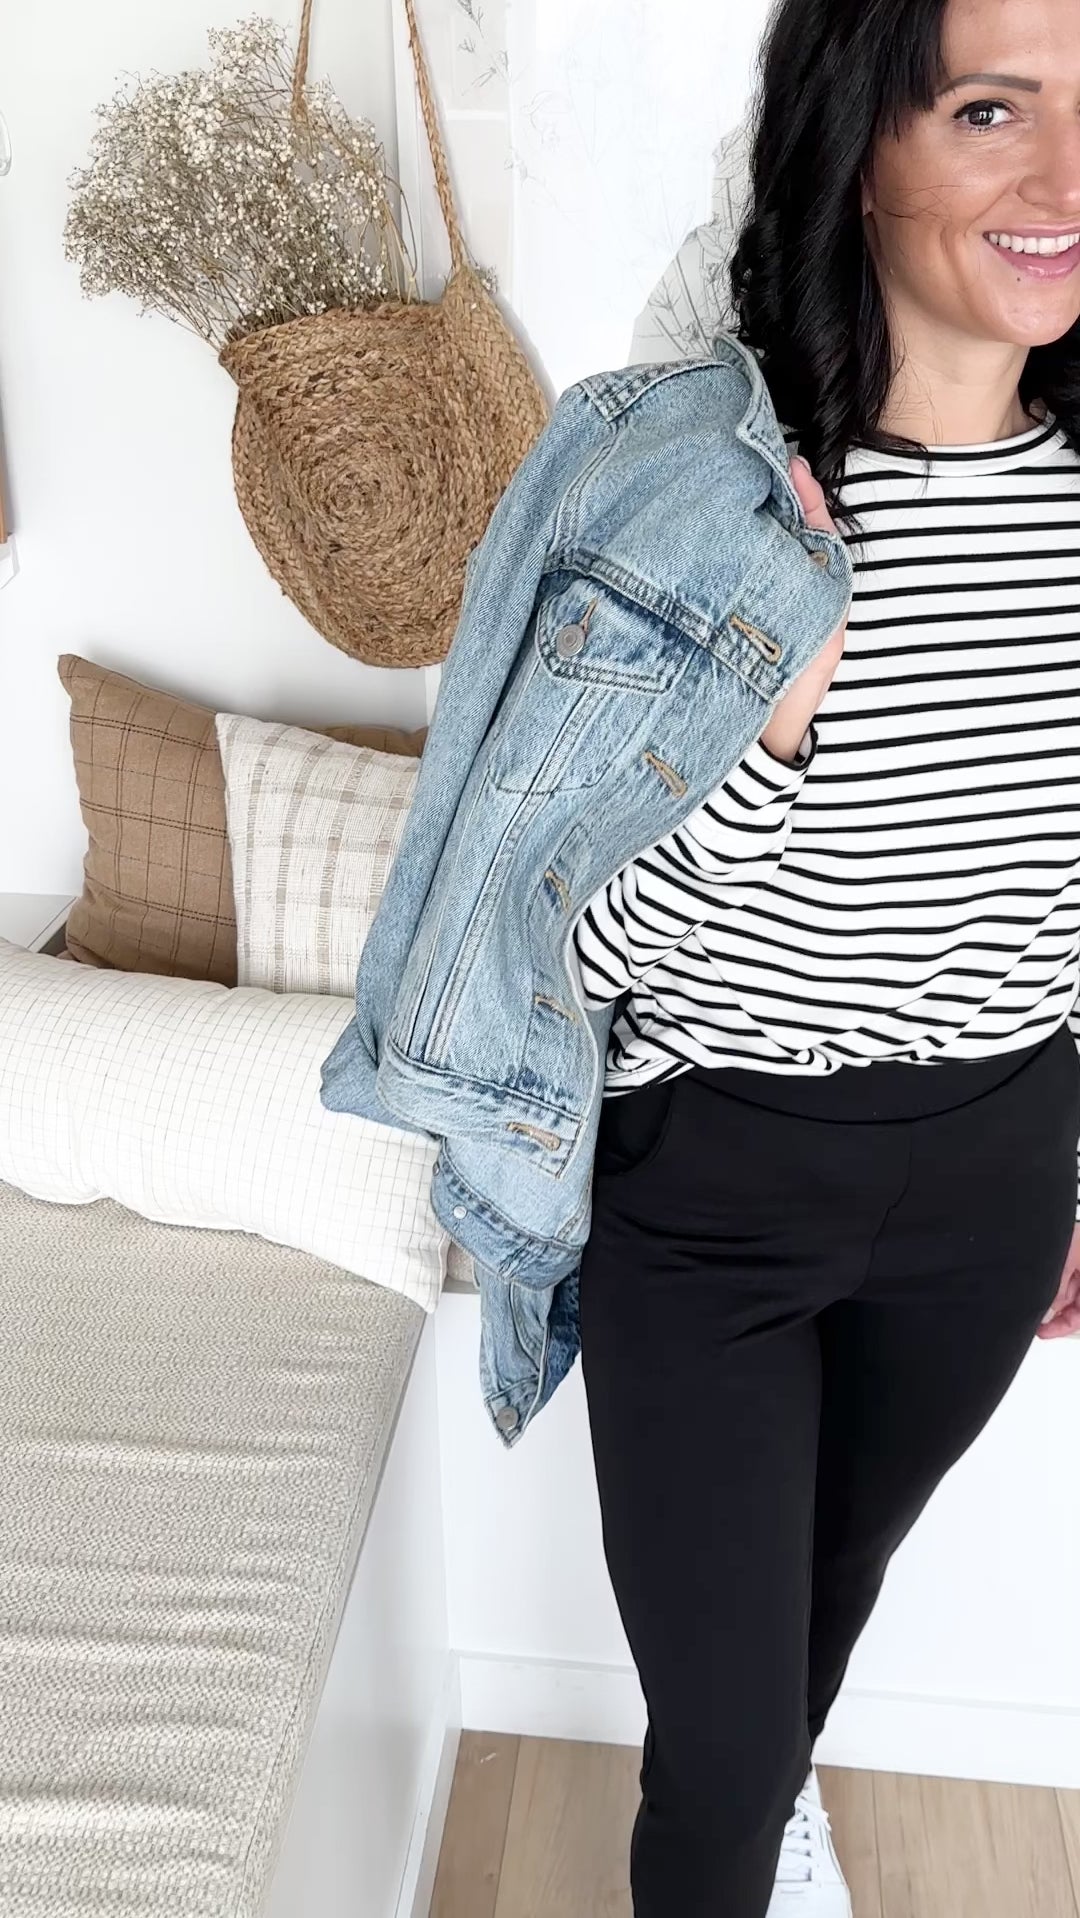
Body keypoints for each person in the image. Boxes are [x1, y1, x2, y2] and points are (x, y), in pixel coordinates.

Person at [571, 0, 1080, 1912]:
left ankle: (783, 1770)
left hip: (990, 1176)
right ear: (865, 145)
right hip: (715, 1183)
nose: (1066, 182)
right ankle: (749, 1808)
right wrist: (766, 733)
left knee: (818, 1613)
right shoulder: (700, 499)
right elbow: (594, 941)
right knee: (707, 1762)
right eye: (991, 110)